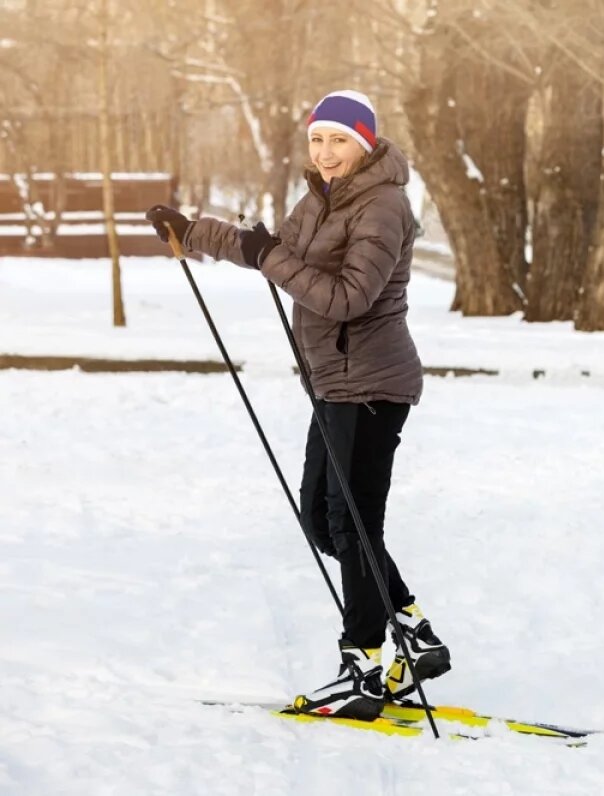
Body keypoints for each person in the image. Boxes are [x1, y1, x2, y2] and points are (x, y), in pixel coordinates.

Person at [146, 90, 450, 721]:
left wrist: (271, 258)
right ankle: (413, 630)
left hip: (372, 385)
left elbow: (347, 298)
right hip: (334, 384)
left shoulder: (383, 205)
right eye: (317, 139)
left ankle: (365, 661)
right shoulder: (318, 200)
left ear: (365, 144)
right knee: (322, 520)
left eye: (339, 140)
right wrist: (192, 231)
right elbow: (265, 246)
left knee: (353, 523)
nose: (326, 152)